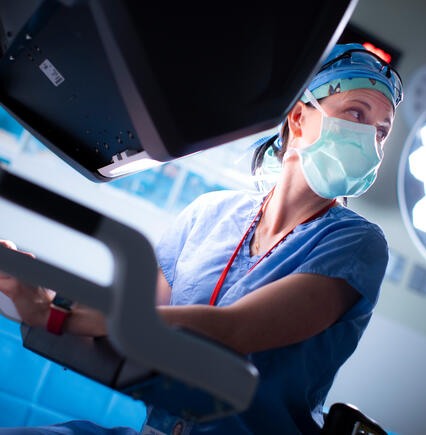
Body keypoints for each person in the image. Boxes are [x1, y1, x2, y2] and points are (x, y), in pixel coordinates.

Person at [0, 43, 403, 434]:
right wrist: (37, 294)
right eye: (355, 113)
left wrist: (55, 314)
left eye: (382, 132)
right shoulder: (208, 215)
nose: (370, 139)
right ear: (298, 117)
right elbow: (130, 330)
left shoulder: (355, 244)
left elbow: (236, 330)